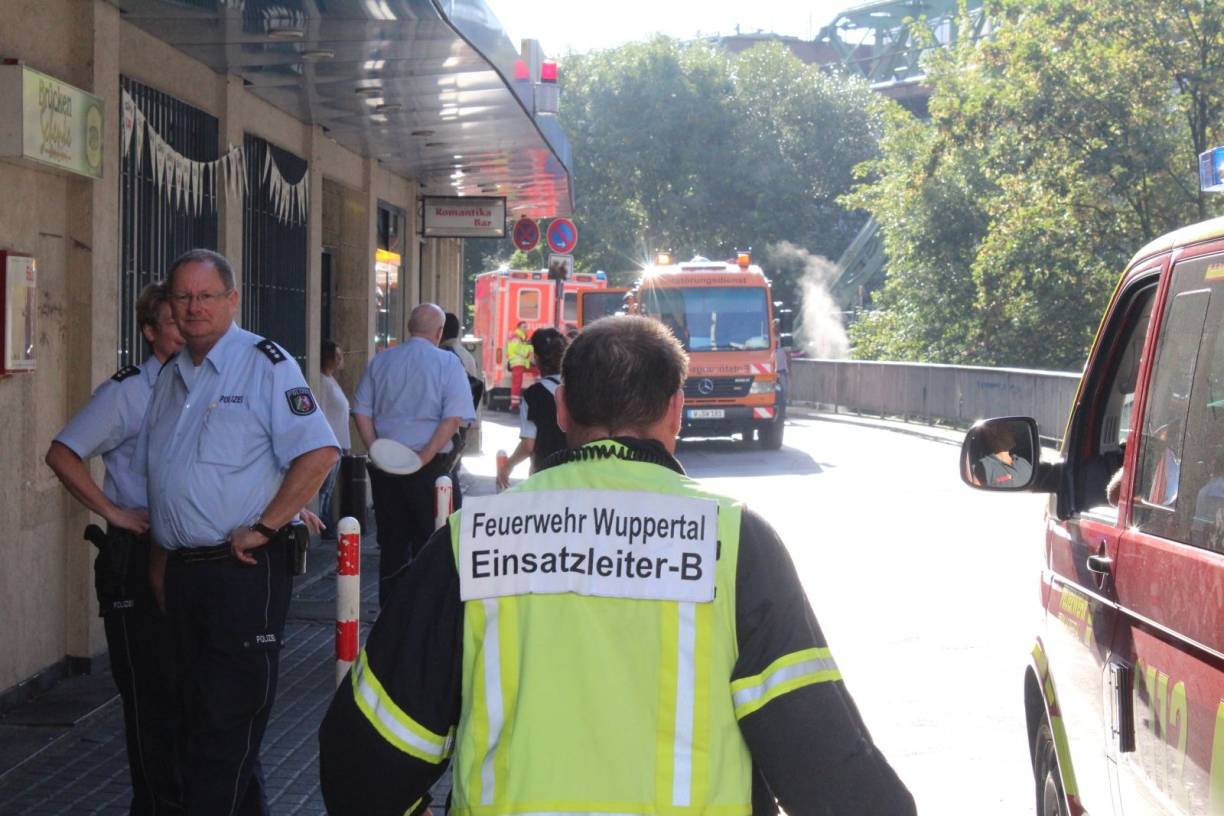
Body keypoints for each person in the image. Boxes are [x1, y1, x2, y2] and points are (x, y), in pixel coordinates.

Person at [319, 315, 915, 816]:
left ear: (562, 409)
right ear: (677, 409)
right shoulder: (735, 543)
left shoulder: (473, 539)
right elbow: (827, 762)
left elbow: (366, 758)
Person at [138, 248, 339, 816]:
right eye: (183, 296)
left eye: (206, 295)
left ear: (232, 300)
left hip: (241, 573)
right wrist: (160, 560)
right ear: (169, 305)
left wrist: (267, 524)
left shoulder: (265, 364)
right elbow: (166, 477)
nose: (194, 307)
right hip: (181, 575)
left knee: (223, 730)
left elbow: (320, 450)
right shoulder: (172, 376)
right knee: (198, 725)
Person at [45, 282, 185, 815]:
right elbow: (63, 454)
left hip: (190, 561)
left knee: (190, 697)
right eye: (173, 321)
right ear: (150, 332)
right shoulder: (127, 392)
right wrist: (115, 513)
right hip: (137, 556)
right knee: (150, 701)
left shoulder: (206, 385)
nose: (187, 327)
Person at [353, 302, 476, 605]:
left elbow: (360, 411)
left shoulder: (381, 362)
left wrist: (376, 449)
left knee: (392, 545)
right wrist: (423, 457)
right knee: (433, 542)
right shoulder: (447, 364)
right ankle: (424, 613)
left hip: (387, 469)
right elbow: (453, 419)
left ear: (408, 328)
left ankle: (390, 614)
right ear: (438, 332)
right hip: (431, 469)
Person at [497, 327, 567, 488]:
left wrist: (507, 466)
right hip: (577, 478)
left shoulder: (534, 395)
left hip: (544, 477)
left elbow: (529, 445)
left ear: (536, 358)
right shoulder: (580, 389)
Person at [317, 339, 351, 537]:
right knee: (325, 486)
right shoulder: (322, 382)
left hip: (338, 441)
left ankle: (325, 518)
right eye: (336, 356)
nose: (340, 360)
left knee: (329, 486)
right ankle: (322, 520)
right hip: (329, 442)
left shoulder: (331, 381)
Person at [506, 319, 532, 409]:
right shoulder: (516, 336)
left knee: (518, 383)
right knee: (516, 384)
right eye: (524, 327)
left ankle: (515, 404)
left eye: (526, 327)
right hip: (518, 363)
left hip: (521, 363)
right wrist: (527, 352)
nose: (526, 328)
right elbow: (517, 349)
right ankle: (514, 404)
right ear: (519, 327)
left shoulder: (523, 337)